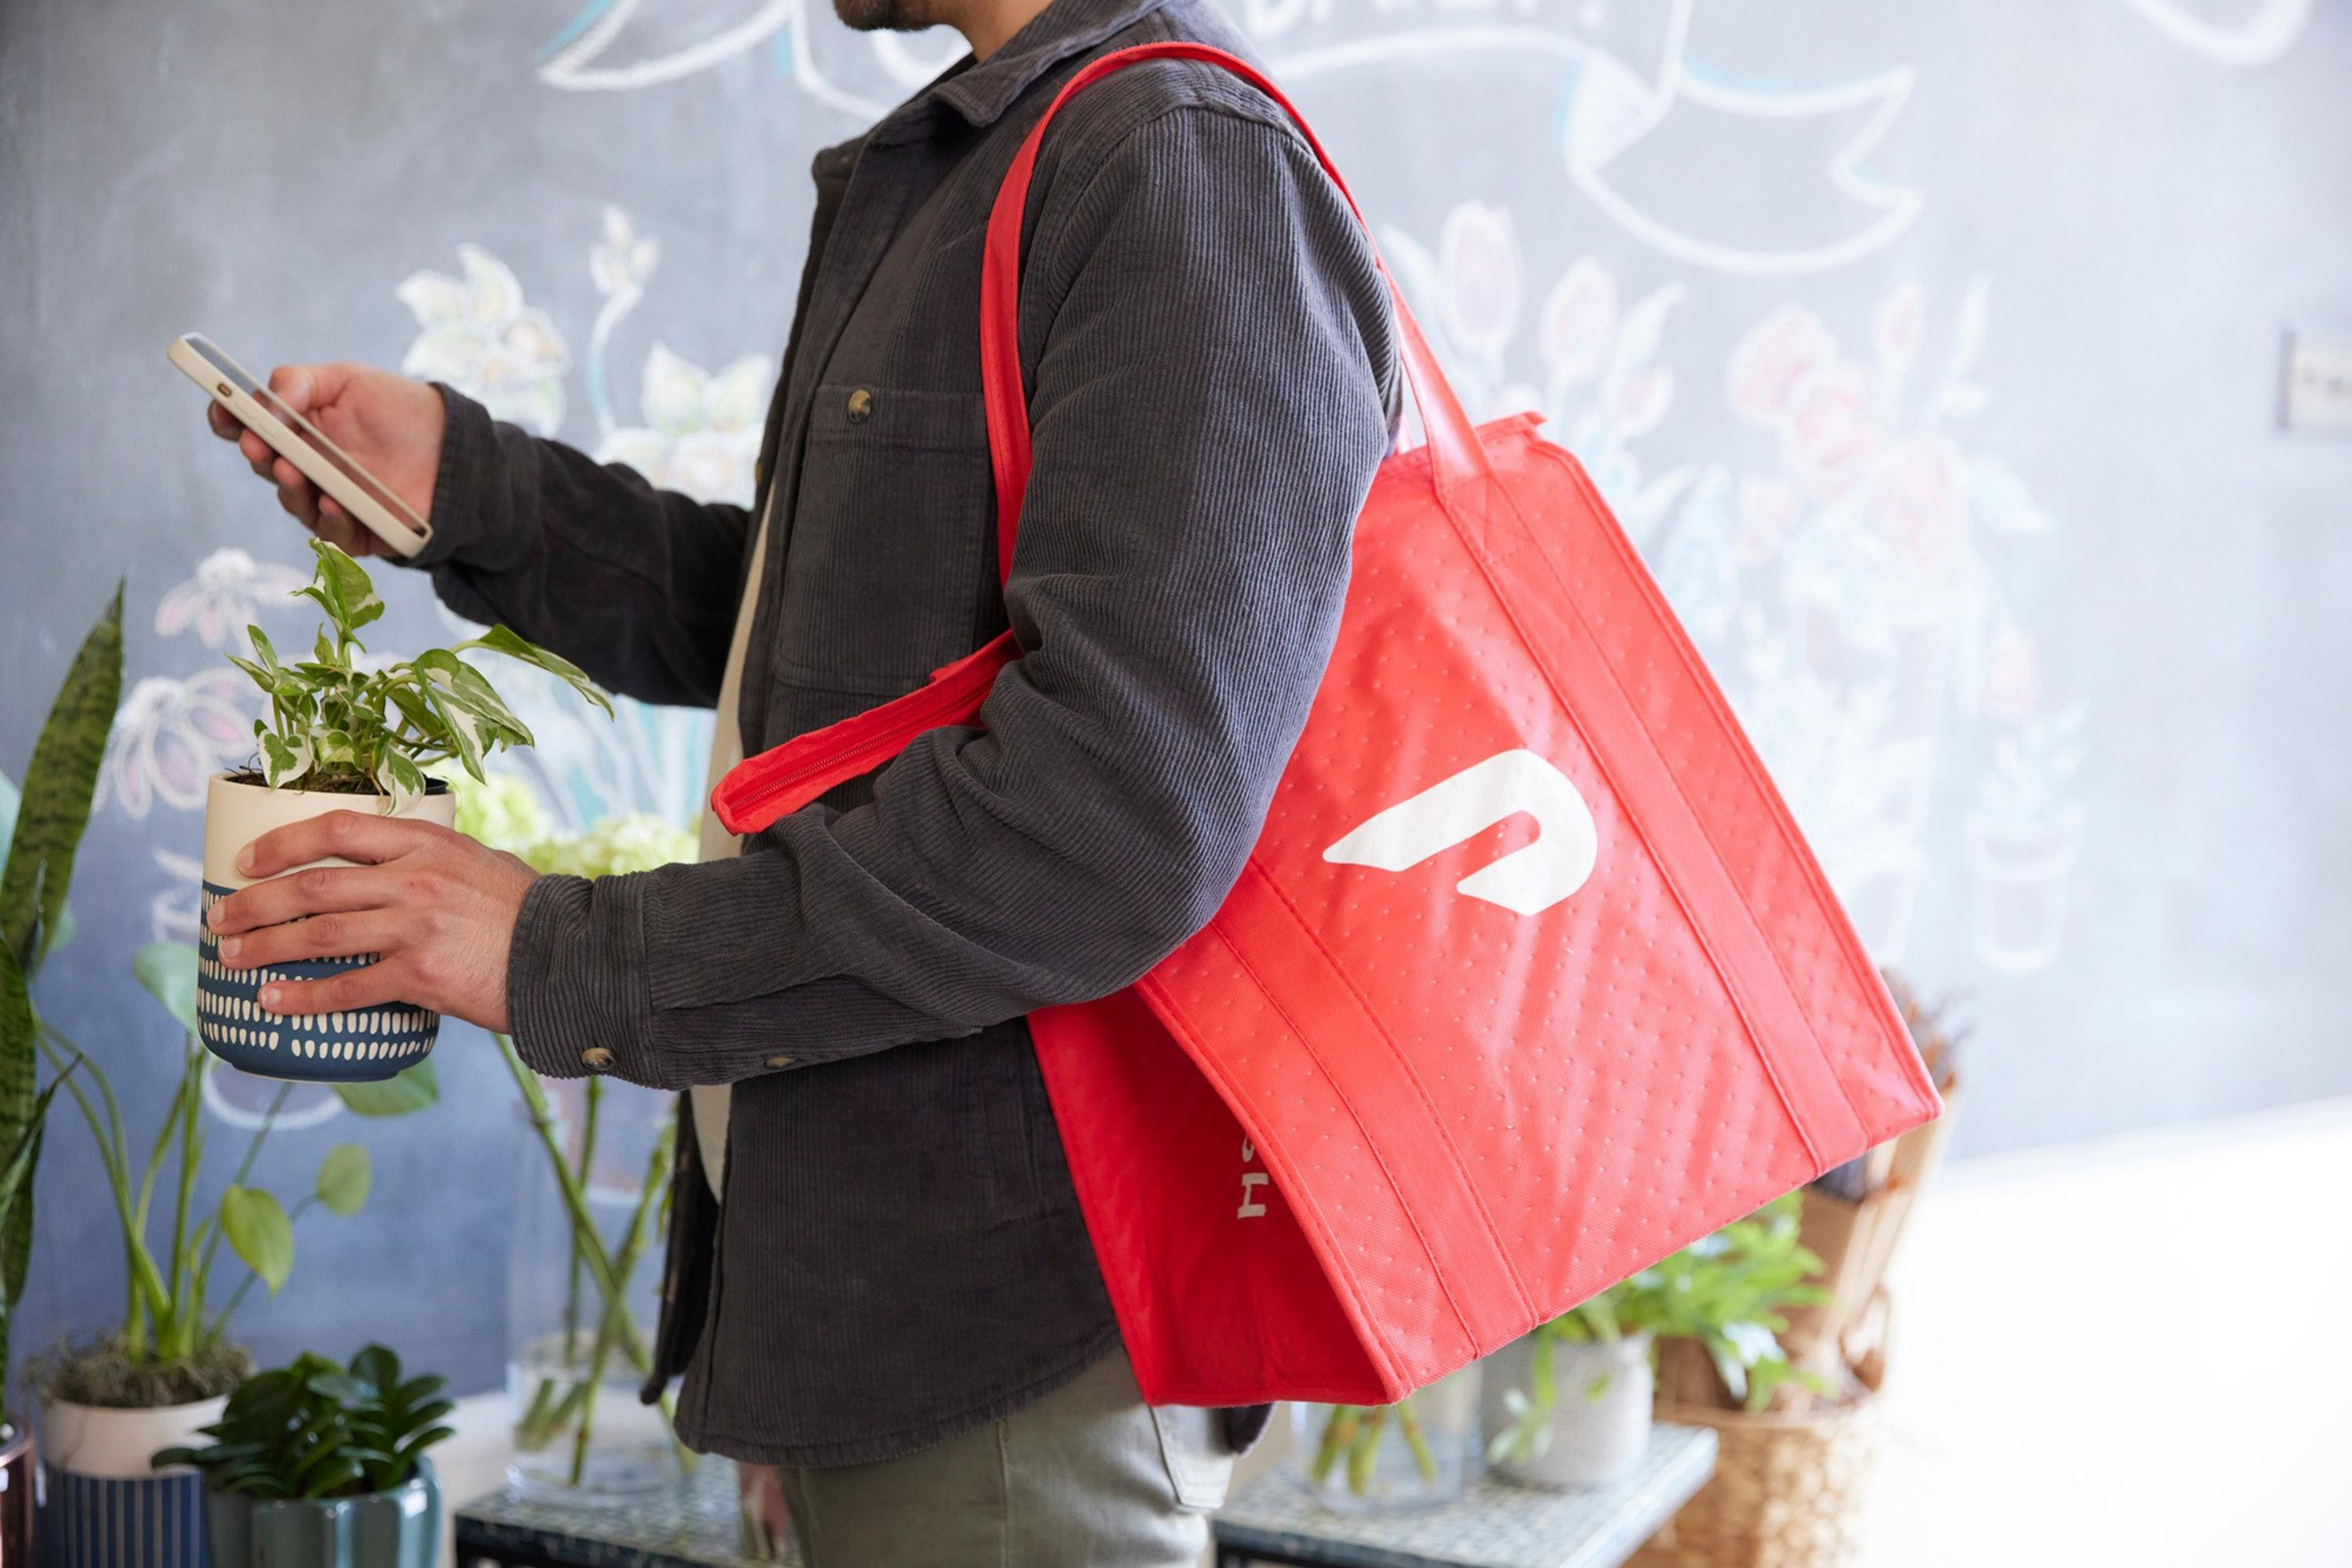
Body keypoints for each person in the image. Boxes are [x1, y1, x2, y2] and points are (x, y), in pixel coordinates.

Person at [202, 0, 1395, 1559]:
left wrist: (560, 948)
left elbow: (1108, 816)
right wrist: (472, 485)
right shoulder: (992, 152)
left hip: (997, 1347)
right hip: (849, 1304)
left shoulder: (1176, 165)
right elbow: (809, 643)